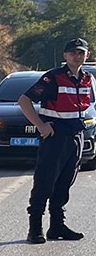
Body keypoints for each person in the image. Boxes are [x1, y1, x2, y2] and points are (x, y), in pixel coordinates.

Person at [17, 38, 93, 243]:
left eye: (81, 52)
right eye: (73, 53)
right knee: (45, 181)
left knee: (65, 183)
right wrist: (41, 125)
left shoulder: (88, 79)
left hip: (75, 136)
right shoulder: (53, 78)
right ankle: (35, 229)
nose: (77, 56)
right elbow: (24, 100)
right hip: (55, 137)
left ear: (88, 55)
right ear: (65, 56)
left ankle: (57, 226)